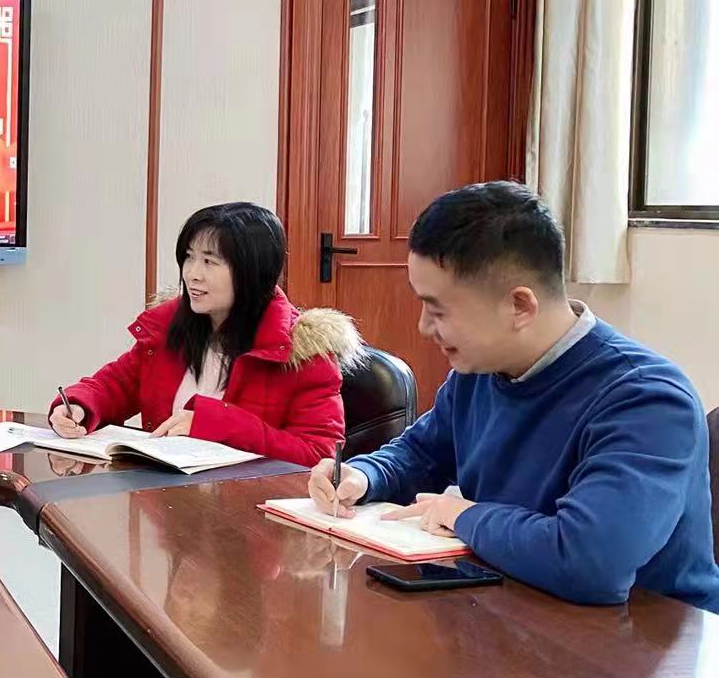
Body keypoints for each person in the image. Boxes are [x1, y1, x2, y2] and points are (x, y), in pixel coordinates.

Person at [308, 181, 719, 611]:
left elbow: (590, 562)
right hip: (513, 607)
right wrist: (364, 475)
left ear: (520, 306)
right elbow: (421, 454)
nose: (424, 328)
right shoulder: (480, 370)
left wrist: (464, 515)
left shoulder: (647, 400)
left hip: (642, 637)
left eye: (439, 310)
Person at [52, 202, 360, 467]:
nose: (192, 273)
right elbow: (117, 385)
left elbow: (319, 455)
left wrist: (218, 424)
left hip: (245, 511)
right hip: (163, 500)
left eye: (210, 261)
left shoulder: (302, 352)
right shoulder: (168, 327)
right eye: (189, 256)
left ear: (252, 272)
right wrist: (80, 405)